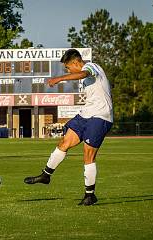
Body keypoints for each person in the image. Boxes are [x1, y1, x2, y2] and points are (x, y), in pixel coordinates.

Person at [24, 49, 113, 206]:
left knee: (88, 154)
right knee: (64, 143)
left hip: (100, 116)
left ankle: (90, 195)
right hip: (86, 114)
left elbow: (83, 74)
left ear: (76, 62)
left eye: (68, 67)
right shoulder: (86, 73)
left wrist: (60, 78)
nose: (68, 70)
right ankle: (46, 175)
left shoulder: (93, 67)